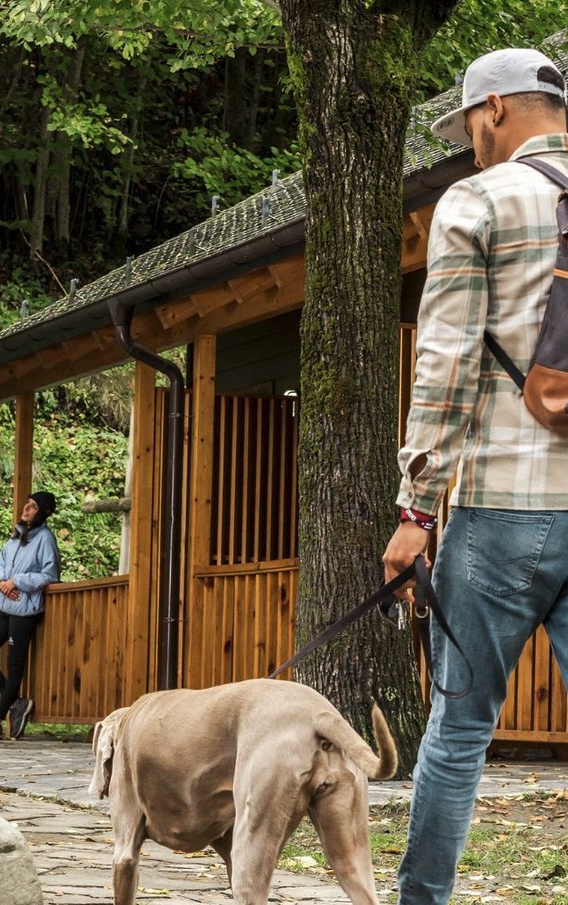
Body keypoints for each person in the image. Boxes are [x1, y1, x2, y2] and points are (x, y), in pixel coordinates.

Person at [382, 47, 568, 905]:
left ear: (493, 107)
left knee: (457, 731)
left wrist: (416, 509)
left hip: (501, 507)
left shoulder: (480, 199)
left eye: (466, 127)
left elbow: (446, 365)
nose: (468, 144)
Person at [0, 491, 61, 740]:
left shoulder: (45, 539)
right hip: (5, 606)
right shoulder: (17, 535)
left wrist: (17, 581)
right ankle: (17, 702)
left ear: (43, 513)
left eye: (33, 506)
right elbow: (0, 562)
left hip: (25, 610)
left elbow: (50, 574)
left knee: (14, 665)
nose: (26, 509)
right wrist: (1, 582)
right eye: (27, 504)